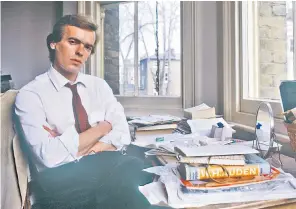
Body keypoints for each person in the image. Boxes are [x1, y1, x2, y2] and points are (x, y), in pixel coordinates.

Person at [14, 14, 169, 209]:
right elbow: (50, 157)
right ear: (53, 43)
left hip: (109, 169)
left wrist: (80, 148)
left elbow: (122, 134)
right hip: (60, 184)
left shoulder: (99, 86)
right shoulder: (30, 95)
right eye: (73, 42)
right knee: (127, 186)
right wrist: (103, 127)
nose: (80, 52)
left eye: (87, 47)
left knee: (131, 175)